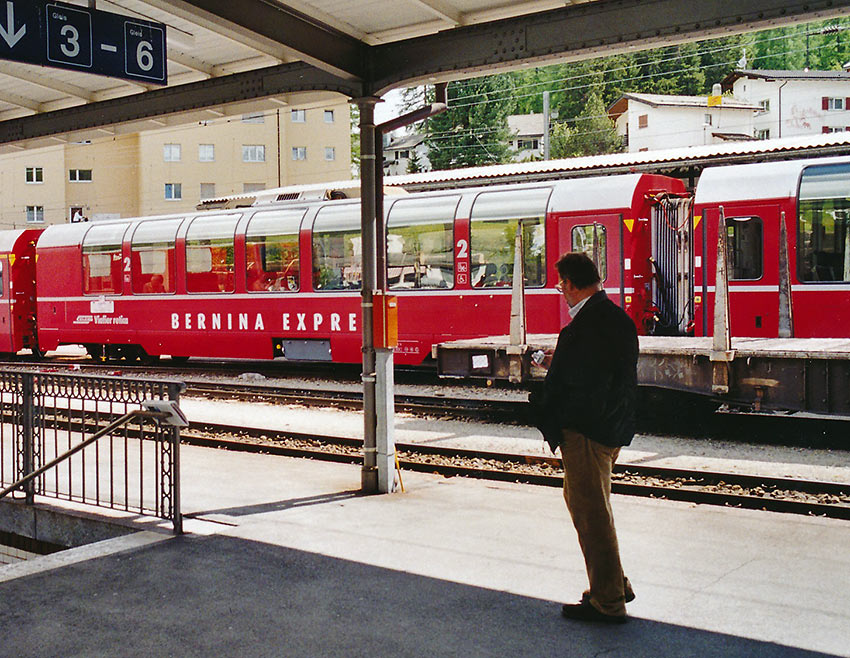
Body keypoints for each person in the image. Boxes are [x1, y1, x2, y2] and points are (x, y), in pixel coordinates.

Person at [533, 252, 638, 624]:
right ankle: (612, 584)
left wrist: (552, 406)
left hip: (588, 432)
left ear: (574, 283)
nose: (561, 290)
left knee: (591, 514)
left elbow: (582, 385)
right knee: (593, 509)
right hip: (607, 428)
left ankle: (608, 601)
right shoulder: (611, 317)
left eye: (562, 283)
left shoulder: (588, 325)